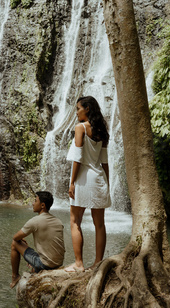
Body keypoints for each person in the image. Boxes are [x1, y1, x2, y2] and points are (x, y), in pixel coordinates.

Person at [64, 96, 110, 272]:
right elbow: (104, 162)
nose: (76, 112)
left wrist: (72, 183)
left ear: (87, 109)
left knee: (75, 221)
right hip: (98, 178)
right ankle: (98, 263)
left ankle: (79, 264)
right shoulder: (102, 130)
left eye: (78, 109)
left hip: (83, 179)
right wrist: (107, 182)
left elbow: (77, 158)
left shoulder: (80, 128)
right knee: (100, 224)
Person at [10, 191, 65, 288]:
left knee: (14, 243)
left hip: (45, 265)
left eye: (35, 201)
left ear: (42, 205)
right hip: (59, 263)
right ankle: (34, 267)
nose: (33, 203)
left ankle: (15, 276)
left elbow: (15, 237)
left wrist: (21, 239)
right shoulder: (58, 221)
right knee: (32, 252)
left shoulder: (35, 221)